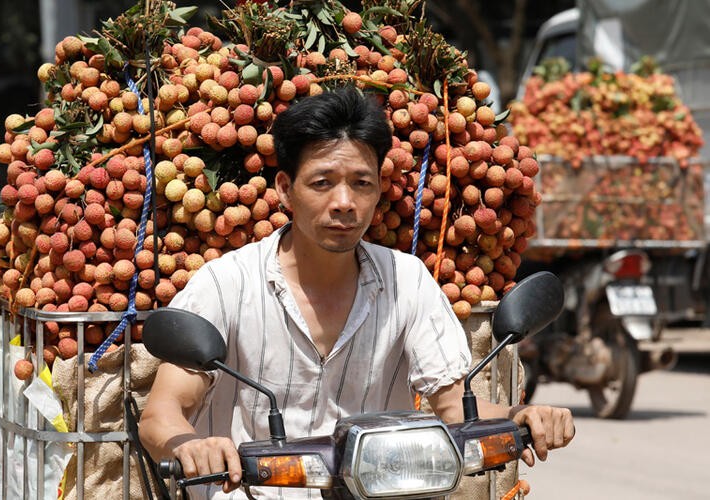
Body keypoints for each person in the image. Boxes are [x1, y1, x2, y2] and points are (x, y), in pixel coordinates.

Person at [139, 86, 575, 499]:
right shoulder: (226, 282)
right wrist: (189, 447)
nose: (344, 202)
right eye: (322, 183)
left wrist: (521, 418)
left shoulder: (407, 280)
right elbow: (161, 413)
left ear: (380, 190)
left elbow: (456, 406)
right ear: (285, 190)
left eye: (361, 184)